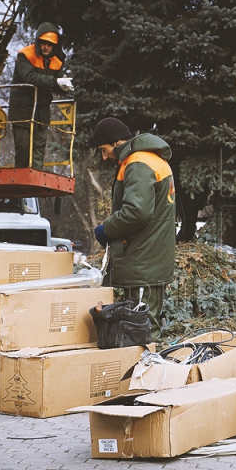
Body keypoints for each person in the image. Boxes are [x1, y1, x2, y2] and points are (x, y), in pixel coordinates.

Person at [92, 117, 175, 342]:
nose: (104, 156)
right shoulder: (146, 159)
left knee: (142, 330)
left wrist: (106, 230)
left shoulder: (138, 163)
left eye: (104, 149)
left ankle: (146, 375)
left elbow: (136, 212)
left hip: (143, 263)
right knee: (143, 326)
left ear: (118, 142)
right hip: (147, 261)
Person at [9, 22, 74, 169]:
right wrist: (56, 81)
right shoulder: (25, 55)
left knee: (39, 145)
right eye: (43, 43)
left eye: (50, 44)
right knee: (23, 145)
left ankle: (35, 178)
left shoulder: (57, 61)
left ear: (55, 45)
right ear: (38, 42)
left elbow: (54, 83)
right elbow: (30, 77)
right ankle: (21, 176)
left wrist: (65, 88)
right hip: (22, 109)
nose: (46, 47)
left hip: (41, 109)